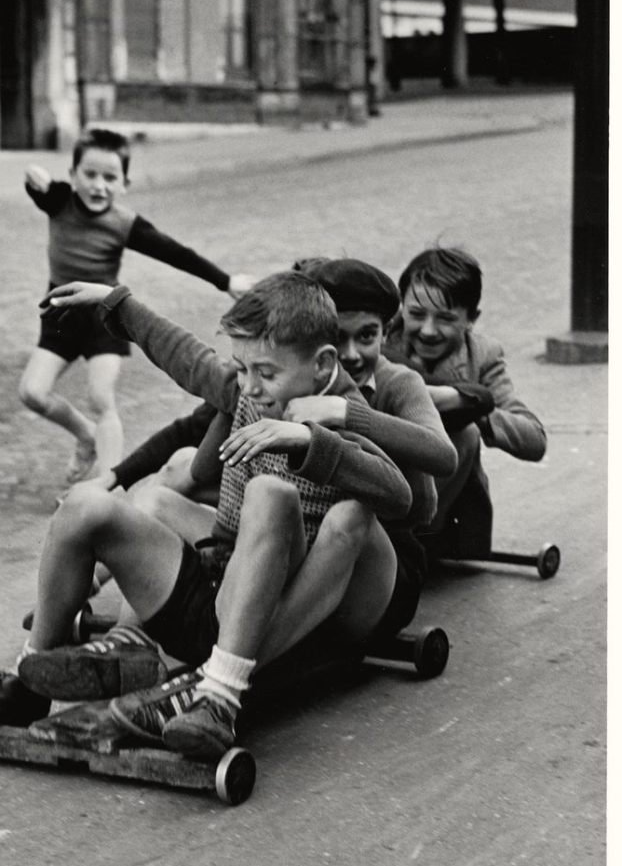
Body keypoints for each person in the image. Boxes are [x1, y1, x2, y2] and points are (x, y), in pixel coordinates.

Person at [0, 272, 412, 758]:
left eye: (266, 374)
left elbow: (398, 494)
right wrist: (118, 305)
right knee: (85, 505)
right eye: (242, 370)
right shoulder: (247, 388)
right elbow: (184, 356)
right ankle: (28, 680)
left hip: (278, 612)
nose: (250, 388)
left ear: (322, 364)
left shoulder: (341, 411)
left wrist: (312, 440)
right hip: (215, 587)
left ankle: (218, 700)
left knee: (271, 492)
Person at [83, 257, 457, 642]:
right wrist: (119, 474)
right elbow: (196, 417)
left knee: (344, 515)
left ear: (386, 334)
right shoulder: (272, 379)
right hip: (300, 531)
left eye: (366, 336)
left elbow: (437, 466)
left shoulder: (395, 383)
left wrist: (344, 413)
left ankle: (242, 654)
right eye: (337, 337)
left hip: (372, 552)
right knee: (179, 468)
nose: (350, 354)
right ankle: (122, 626)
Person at [20, 126, 251, 484]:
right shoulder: (60, 201)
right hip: (60, 316)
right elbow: (41, 191)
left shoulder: (125, 223)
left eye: (110, 178)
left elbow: (175, 252)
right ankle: (85, 435)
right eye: (90, 175)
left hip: (104, 316)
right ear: (72, 176)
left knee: (101, 398)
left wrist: (225, 281)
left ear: (124, 183)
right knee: (32, 392)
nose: (99, 185)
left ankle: (105, 487)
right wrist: (33, 182)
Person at [384, 245, 547, 557]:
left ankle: (414, 541)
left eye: (446, 318)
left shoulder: (484, 355)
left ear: (472, 319)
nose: (429, 330)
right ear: (401, 306)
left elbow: (534, 439)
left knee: (465, 432)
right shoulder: (377, 337)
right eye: (416, 314)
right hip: (385, 474)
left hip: (441, 504)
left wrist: (468, 407)